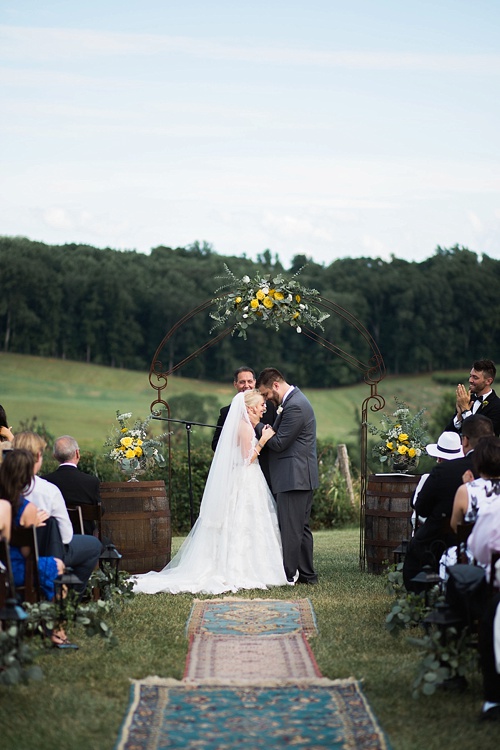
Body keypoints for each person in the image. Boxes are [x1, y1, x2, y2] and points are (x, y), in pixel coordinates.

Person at [133, 390, 287, 594]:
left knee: (250, 523)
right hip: (246, 478)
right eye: (260, 405)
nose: (264, 408)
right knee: (244, 522)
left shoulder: (245, 425)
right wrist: (263, 440)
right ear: (249, 408)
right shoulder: (245, 428)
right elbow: (245, 459)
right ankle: (244, 568)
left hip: (248, 479)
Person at [403, 415, 494, 592]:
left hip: (443, 546)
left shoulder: (444, 471)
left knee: (420, 545)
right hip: (491, 549)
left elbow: (421, 508)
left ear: (465, 441)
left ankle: (421, 598)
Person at [0, 448, 76, 648]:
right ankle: (58, 631)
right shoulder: (27, 509)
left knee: (53, 565)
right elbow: (26, 552)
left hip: (2, 568)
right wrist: (32, 524)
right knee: (58, 568)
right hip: (17, 571)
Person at [12, 432, 101, 598]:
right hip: (48, 554)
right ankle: (70, 597)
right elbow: (66, 537)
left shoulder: (7, 489)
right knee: (93, 545)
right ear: (38, 457)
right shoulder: (47, 490)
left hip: (11, 558)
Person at [256, 367, 319, 585]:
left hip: (295, 477)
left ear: (275, 385)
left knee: (291, 529)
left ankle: (289, 575)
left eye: (265, 394)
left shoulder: (295, 407)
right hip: (297, 476)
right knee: (300, 528)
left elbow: (279, 443)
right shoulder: (293, 402)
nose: (265, 399)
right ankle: (308, 575)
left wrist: (257, 427)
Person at [465, 442, 500, 721]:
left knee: (491, 621)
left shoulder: (492, 510)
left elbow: (477, 550)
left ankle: (492, 698)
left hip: (495, 590)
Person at [212, 366, 277, 488]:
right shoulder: (226, 412)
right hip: (238, 473)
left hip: (267, 470)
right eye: (242, 382)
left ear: (255, 383)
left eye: (249, 381)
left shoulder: (269, 408)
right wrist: (239, 443)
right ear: (235, 384)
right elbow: (216, 444)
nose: (246, 385)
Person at [44, 435, 102, 536]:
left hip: (55, 539)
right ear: (77, 453)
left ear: (55, 456)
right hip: (86, 539)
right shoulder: (91, 482)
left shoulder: (45, 481)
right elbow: (100, 511)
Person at [445, 359, 500, 437]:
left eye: (475, 377)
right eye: (470, 376)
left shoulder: (497, 405)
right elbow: (447, 434)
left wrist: (465, 411)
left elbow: (484, 436)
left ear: (488, 381)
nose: (470, 380)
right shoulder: (466, 400)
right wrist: (458, 418)